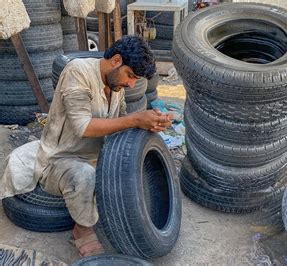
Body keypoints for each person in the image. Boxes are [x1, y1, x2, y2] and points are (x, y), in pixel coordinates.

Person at [0, 36, 173, 256]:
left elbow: (120, 123)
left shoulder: (115, 85)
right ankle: (81, 230)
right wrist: (137, 119)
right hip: (61, 158)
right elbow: (83, 126)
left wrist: (151, 122)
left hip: (96, 154)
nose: (131, 84)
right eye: (130, 76)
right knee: (84, 175)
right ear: (116, 60)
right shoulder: (78, 71)